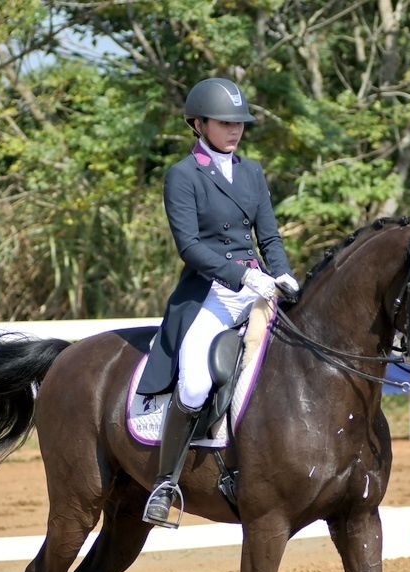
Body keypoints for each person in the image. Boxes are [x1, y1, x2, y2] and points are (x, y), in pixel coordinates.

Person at [137, 76, 299, 528]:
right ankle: (165, 483)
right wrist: (244, 277)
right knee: (192, 382)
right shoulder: (182, 176)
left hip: (261, 287)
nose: (235, 130)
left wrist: (281, 273)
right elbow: (189, 246)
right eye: (225, 122)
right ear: (199, 123)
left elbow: (268, 235)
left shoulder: (252, 172)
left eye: (240, 122)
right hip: (214, 292)